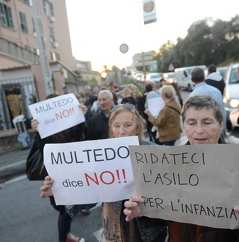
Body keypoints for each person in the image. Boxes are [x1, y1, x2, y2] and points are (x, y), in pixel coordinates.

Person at [124, 94, 239, 242]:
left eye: (207, 122)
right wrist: (145, 212)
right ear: (184, 126)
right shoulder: (168, 166)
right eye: (191, 123)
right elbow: (165, 216)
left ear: (221, 125)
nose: (198, 131)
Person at [40, 103, 167, 242]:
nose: (122, 131)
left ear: (137, 127)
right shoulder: (102, 154)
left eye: (128, 125)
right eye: (117, 126)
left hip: (148, 232)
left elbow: (168, 197)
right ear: (111, 128)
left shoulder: (153, 152)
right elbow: (90, 196)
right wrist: (62, 190)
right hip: (115, 231)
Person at [30, 92, 87, 242]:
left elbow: (77, 139)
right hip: (55, 175)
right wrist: (38, 132)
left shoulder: (69, 125)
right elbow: (43, 150)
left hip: (72, 170)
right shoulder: (45, 128)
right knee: (64, 210)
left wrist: (80, 118)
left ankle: (67, 236)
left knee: (69, 207)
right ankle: (64, 239)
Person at [189, 67, 227, 139]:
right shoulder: (217, 91)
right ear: (204, 78)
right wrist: (223, 131)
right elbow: (222, 112)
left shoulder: (193, 95)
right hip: (218, 131)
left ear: (192, 80)